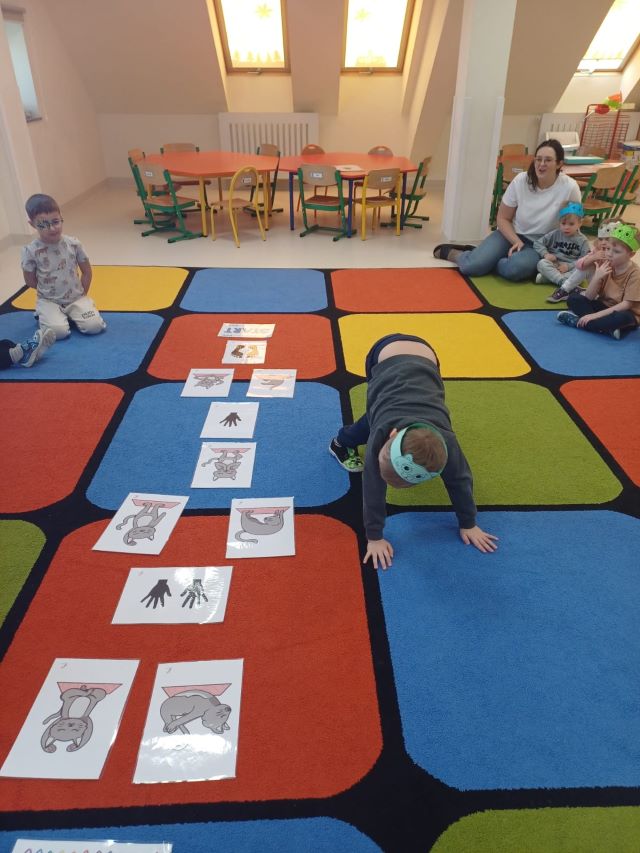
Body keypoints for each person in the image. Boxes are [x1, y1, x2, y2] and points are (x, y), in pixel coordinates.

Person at [328, 333, 497, 569]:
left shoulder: (447, 443)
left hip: (426, 357)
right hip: (382, 355)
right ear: (391, 435)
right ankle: (340, 443)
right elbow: (373, 488)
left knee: (377, 414)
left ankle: (355, 430)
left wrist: (468, 523)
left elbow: (460, 481)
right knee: (375, 414)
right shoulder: (380, 434)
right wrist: (374, 537)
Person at [433, 139, 582, 281]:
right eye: (538, 159)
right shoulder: (521, 180)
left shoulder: (570, 187)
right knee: (471, 267)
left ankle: (488, 259)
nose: (541, 164)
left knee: (515, 269)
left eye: (548, 160)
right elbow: (503, 218)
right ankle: (460, 254)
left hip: (541, 245)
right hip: (511, 234)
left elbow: (574, 223)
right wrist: (516, 241)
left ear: (559, 163)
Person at [21, 194, 106, 340]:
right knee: (57, 333)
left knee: (95, 327)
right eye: (43, 224)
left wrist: (82, 295)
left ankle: (71, 313)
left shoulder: (74, 244)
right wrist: (49, 292)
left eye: (56, 221)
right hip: (49, 300)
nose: (52, 228)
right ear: (32, 224)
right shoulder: (30, 251)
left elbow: (87, 271)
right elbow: (30, 281)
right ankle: (45, 312)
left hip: (76, 297)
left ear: (61, 218)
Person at [557, 222, 640, 339]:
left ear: (631, 254)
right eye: (608, 249)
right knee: (574, 299)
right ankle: (608, 329)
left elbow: (626, 305)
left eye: (616, 251)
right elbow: (589, 296)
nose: (609, 254)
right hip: (605, 306)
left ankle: (577, 323)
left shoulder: (635, 274)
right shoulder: (606, 264)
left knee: (622, 317)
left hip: (626, 312)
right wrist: (597, 277)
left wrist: (594, 316)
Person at [545, 219, 620, 303]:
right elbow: (579, 265)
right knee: (587, 265)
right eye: (600, 239)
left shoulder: (619, 256)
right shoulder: (597, 251)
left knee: (578, 300)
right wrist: (593, 257)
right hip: (597, 285)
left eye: (607, 239)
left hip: (610, 292)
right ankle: (565, 289)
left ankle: (582, 292)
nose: (603, 243)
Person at [533, 201, 590, 287]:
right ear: (559, 222)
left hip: (571, 268)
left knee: (582, 270)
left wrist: (569, 266)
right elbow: (538, 243)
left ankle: (548, 278)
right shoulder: (555, 233)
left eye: (571, 224)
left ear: (580, 223)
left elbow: (585, 259)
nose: (566, 227)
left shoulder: (583, 240)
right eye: (563, 223)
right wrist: (545, 254)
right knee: (541, 263)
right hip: (554, 265)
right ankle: (564, 282)